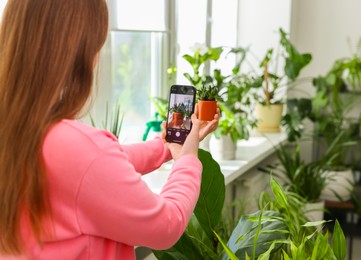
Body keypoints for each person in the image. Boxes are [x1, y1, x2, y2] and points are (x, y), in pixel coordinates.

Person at [0, 0, 219, 259]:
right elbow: (167, 224)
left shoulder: (17, 131)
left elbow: (98, 165)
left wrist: (166, 148)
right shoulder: (79, 149)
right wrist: (188, 160)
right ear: (80, 54)